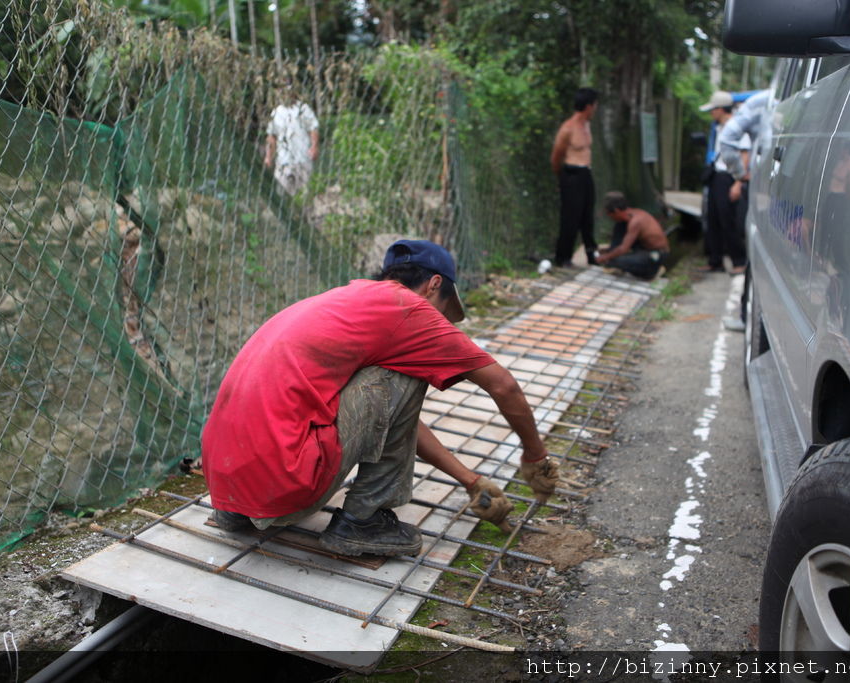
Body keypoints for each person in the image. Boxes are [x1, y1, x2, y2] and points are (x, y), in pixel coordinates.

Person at [201, 240, 560, 557]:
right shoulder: (409, 310)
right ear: (435, 284)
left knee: (375, 381)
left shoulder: (346, 301)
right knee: (406, 373)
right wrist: (534, 455)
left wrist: (470, 480)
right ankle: (362, 522)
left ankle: (238, 512)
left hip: (227, 486)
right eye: (446, 312)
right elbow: (504, 386)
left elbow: (389, 418)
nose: (444, 325)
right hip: (283, 486)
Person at [717, 89, 770, 332]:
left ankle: (746, 316)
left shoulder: (764, 101)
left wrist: (740, 176)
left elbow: (728, 142)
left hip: (762, 189)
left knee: (755, 251)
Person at [698, 90, 746, 275]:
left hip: (729, 177)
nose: (711, 113)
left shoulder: (737, 127)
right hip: (716, 176)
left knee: (728, 221)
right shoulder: (717, 128)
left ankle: (739, 260)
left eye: (713, 109)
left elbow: (744, 155)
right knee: (713, 219)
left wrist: (738, 182)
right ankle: (715, 260)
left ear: (720, 109)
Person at [551, 87, 600, 267]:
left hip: (586, 173)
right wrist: (561, 177)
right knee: (570, 217)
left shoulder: (587, 125)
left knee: (587, 216)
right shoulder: (568, 128)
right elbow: (556, 156)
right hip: (571, 174)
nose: (595, 109)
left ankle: (591, 254)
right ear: (588, 106)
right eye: (594, 106)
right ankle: (563, 257)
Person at [596, 191, 669, 280]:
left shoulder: (636, 221)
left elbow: (623, 249)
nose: (610, 217)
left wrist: (604, 257)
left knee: (614, 260)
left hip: (656, 255)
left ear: (616, 211)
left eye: (609, 214)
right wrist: (609, 251)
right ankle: (617, 262)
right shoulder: (629, 216)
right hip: (643, 248)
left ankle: (653, 270)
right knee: (620, 226)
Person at [264, 87, 319, 195]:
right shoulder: (276, 113)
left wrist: (314, 146)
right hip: (283, 161)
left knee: (304, 193)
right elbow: (271, 137)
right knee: (282, 192)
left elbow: (313, 129)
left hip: (303, 158)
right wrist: (268, 157)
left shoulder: (303, 109)